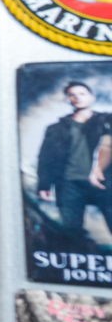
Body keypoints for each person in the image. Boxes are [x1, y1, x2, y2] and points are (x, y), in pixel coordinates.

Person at [35, 80, 112, 238]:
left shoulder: (107, 120)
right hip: (69, 184)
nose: (77, 98)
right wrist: (44, 184)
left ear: (91, 97)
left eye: (82, 94)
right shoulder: (56, 128)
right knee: (71, 230)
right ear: (68, 99)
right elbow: (46, 157)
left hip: (105, 182)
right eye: (72, 95)